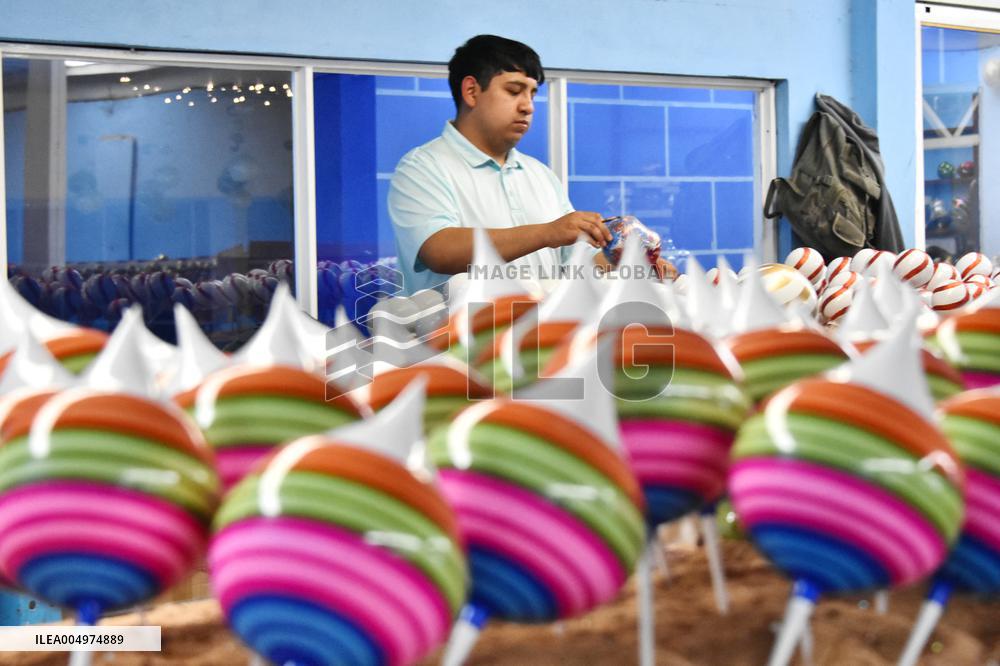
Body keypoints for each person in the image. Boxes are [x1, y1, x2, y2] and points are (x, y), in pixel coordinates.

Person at [388, 34, 674, 295]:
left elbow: (573, 265)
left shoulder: (539, 174)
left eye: (533, 93)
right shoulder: (423, 168)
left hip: (541, 340)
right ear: (471, 91)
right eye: (514, 91)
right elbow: (439, 250)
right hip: (459, 344)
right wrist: (547, 233)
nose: (528, 106)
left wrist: (625, 261)